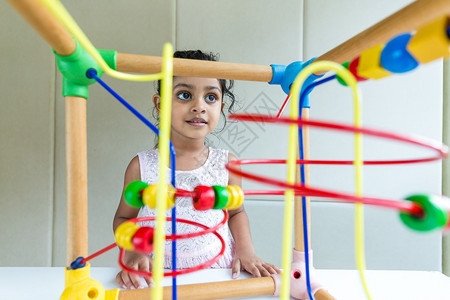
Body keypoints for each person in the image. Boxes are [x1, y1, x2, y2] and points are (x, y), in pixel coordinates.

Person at [113, 50, 280, 289]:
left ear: (221, 106)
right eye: (184, 95)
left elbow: (236, 213)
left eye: (210, 97)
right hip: (157, 276)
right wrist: (131, 253)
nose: (198, 106)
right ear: (160, 104)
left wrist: (246, 251)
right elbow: (123, 218)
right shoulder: (142, 166)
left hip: (217, 274)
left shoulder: (227, 164)